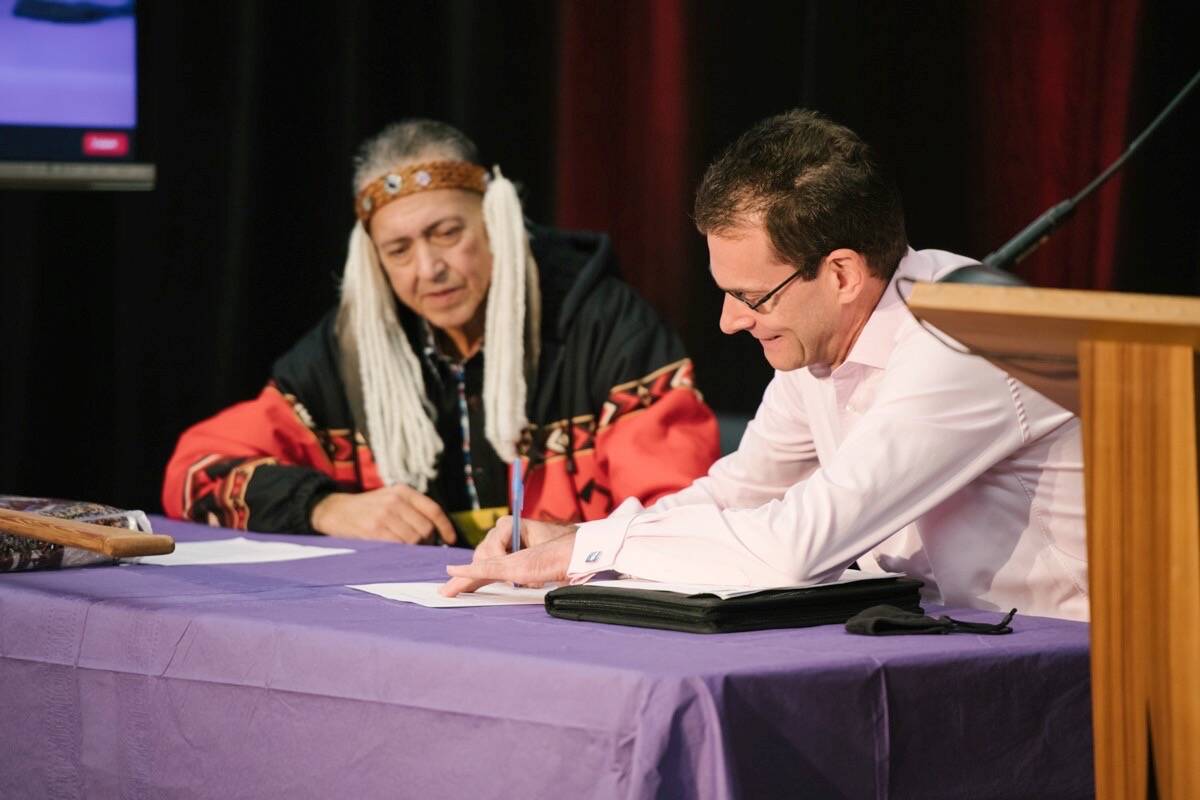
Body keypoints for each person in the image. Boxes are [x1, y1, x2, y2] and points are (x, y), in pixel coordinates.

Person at [443, 109, 1088, 621]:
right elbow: (734, 496)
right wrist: (578, 537)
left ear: (841, 273)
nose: (728, 322)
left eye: (752, 297)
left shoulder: (965, 335)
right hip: (948, 652)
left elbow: (794, 547)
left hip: (1071, 674)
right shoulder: (815, 347)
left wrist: (584, 555)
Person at [162, 120, 720, 546]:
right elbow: (193, 473)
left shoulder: (602, 325)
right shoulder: (350, 354)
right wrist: (325, 507)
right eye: (399, 250)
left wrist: (573, 542)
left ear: (494, 220)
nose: (428, 268)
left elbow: (678, 514)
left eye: (447, 233)